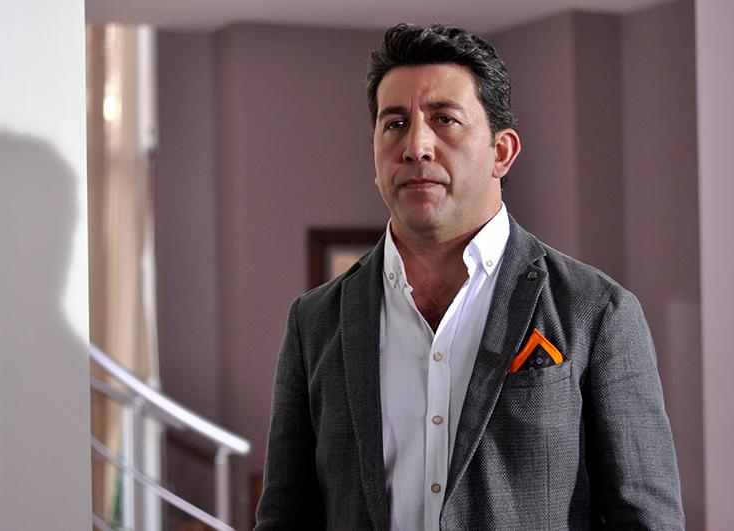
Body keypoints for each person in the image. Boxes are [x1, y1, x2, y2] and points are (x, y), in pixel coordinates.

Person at [254, 23, 684, 530]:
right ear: (374, 155)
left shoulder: (596, 311)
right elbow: (284, 516)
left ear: (502, 152)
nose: (416, 146)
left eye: (445, 120)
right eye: (395, 124)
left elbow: (647, 521)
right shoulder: (315, 323)